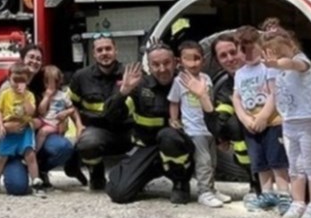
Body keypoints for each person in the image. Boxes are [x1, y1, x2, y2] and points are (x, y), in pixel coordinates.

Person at [104, 43, 195, 204]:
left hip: (179, 146)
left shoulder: (188, 83)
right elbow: (111, 116)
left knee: (168, 136)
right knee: (119, 193)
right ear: (149, 66)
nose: (162, 69)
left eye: (166, 63)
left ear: (175, 62)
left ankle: (180, 182)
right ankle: (130, 173)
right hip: (148, 149)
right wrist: (123, 91)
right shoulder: (139, 87)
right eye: (156, 64)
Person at [262, 29, 311, 218]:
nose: (277, 59)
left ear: (292, 46)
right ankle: (298, 202)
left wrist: (280, 62)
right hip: (289, 123)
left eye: (280, 53)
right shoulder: (278, 71)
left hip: (308, 122)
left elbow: (293, 64)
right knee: (295, 167)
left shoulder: (302, 62)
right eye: (273, 55)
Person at [3, 44, 84, 193]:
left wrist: (74, 123)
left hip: (36, 136)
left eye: (38, 59)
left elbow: (63, 101)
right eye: (31, 57)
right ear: (22, 59)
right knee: (17, 188)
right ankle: (16, 167)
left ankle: (39, 169)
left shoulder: (44, 80)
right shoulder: (7, 85)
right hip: (14, 141)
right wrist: (7, 127)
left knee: (64, 147)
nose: (35, 61)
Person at [231, 26, 290, 212]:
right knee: (259, 162)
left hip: (272, 122)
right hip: (251, 123)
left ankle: (284, 195)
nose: (247, 54)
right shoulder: (240, 73)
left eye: (251, 48)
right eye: (243, 50)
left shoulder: (267, 68)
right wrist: (244, 118)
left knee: (277, 161)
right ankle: (266, 194)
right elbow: (237, 98)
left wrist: (264, 116)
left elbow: (275, 93)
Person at [168, 41, 230, 208]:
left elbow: (209, 101)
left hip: (209, 129)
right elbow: (174, 102)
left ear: (203, 60)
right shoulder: (179, 81)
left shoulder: (207, 79)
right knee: (204, 161)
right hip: (194, 130)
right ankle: (204, 192)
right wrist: (174, 119)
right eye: (187, 59)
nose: (193, 63)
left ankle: (211, 188)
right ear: (179, 61)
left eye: (197, 58)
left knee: (213, 162)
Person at [69, 33, 133, 190]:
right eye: (100, 50)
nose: (104, 53)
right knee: (88, 144)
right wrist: (78, 125)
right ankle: (96, 173)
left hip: (127, 129)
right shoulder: (81, 77)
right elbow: (71, 104)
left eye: (108, 49)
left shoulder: (129, 74)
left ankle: (134, 174)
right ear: (94, 54)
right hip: (97, 129)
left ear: (115, 50)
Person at [209, 33, 260, 200]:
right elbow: (220, 120)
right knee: (233, 125)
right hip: (254, 130)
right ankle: (256, 181)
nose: (230, 58)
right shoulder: (225, 89)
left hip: (280, 128)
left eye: (233, 52)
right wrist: (220, 137)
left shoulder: (266, 70)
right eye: (223, 55)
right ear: (217, 61)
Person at [0, 62, 46, 197]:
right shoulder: (5, 94)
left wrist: (24, 97)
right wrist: (1, 126)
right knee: (1, 156)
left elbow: (31, 111)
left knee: (30, 154)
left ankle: (36, 182)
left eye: (22, 80)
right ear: (9, 78)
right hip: (8, 131)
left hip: (24, 130)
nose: (18, 84)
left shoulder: (29, 95)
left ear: (28, 80)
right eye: (15, 80)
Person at [36, 66, 81, 152]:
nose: (51, 86)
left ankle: (34, 153)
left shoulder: (63, 96)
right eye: (47, 82)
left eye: (55, 82)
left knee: (43, 131)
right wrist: (47, 97)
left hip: (55, 124)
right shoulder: (42, 94)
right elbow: (41, 111)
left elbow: (72, 109)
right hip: (43, 120)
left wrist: (66, 112)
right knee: (31, 124)